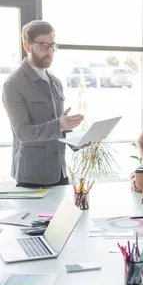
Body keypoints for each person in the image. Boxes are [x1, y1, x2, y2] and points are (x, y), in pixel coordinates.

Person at [2, 20, 84, 187]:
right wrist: (59, 126)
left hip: (59, 172)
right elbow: (23, 133)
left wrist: (78, 141)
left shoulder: (55, 81)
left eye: (53, 46)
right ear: (27, 46)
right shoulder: (13, 84)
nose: (50, 52)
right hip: (32, 176)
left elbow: (60, 126)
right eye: (43, 46)